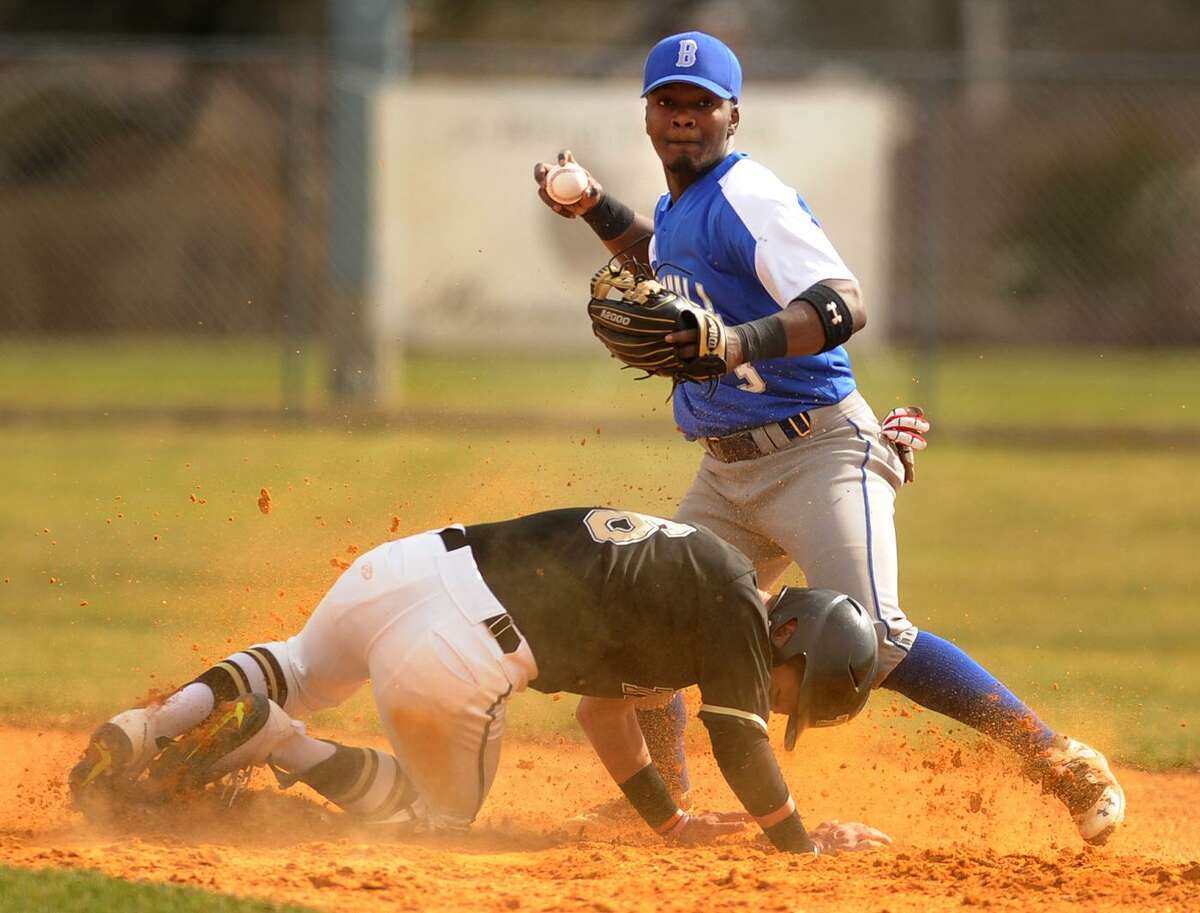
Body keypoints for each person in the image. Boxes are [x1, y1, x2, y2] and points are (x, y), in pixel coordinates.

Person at [533, 31, 1124, 845]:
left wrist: (738, 343)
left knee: (876, 638)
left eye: (701, 105)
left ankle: (1059, 761)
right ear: (647, 115)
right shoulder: (682, 209)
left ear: (732, 115)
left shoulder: (751, 196)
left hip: (818, 453)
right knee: (646, 629)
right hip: (725, 476)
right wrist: (590, 206)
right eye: (669, 102)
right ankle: (668, 798)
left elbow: (843, 302)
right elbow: (662, 253)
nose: (683, 118)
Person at [69, 506, 891, 855]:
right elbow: (739, 742)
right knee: (438, 816)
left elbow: (605, 715)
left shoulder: (687, 596)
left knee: (301, 665)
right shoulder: (737, 604)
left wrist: (670, 822)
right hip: (461, 648)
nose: (768, 698)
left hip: (407, 567)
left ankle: (151, 726)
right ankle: (278, 740)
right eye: (786, 689)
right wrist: (801, 843)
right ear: (791, 635)